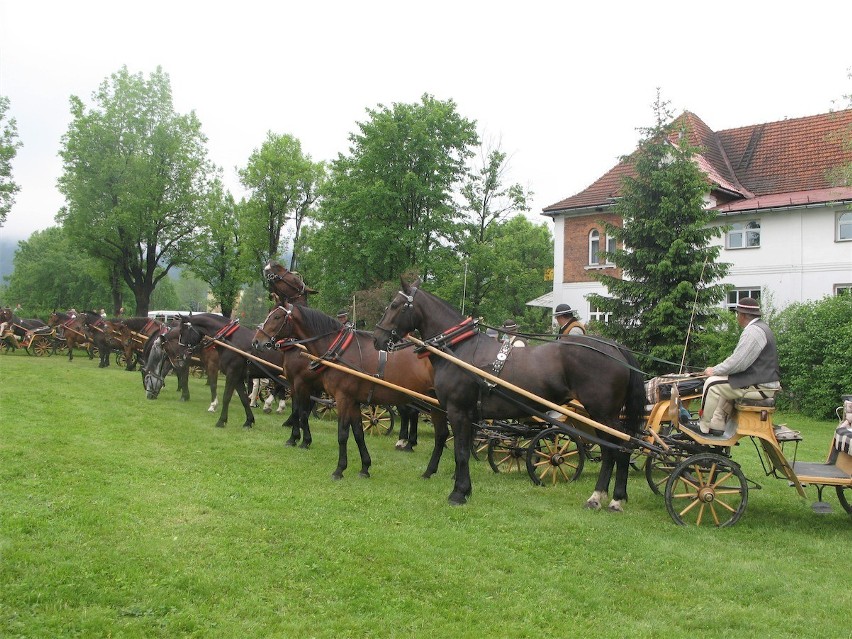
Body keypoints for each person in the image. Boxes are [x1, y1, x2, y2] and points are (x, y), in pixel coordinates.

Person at [684, 297, 781, 435]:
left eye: (737, 314)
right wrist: (719, 371)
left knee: (712, 384)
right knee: (722, 381)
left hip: (761, 385)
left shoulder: (753, 332)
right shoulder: (760, 328)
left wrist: (714, 370)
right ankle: (717, 423)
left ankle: (703, 425)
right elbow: (738, 361)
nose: (737, 317)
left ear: (742, 315)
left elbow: (738, 363)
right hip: (761, 382)